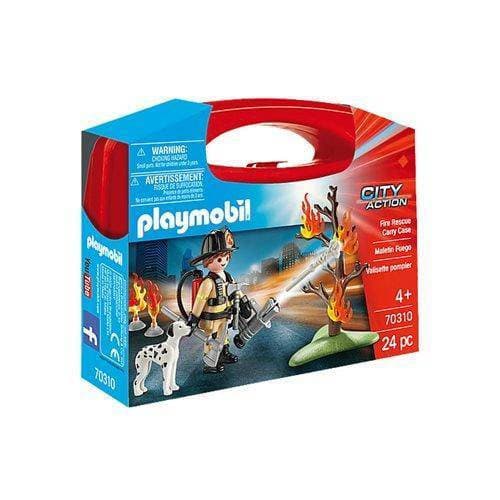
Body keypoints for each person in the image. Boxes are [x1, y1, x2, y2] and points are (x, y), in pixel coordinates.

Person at [187, 228, 241, 373]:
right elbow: (200, 301)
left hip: (225, 316)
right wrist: (194, 318)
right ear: (208, 260)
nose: (224, 262)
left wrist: (242, 302)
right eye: (219, 259)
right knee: (211, 339)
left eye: (226, 258)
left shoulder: (228, 277)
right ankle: (210, 363)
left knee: (224, 336)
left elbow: (236, 291)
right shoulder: (208, 282)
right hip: (211, 319)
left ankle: (223, 354)